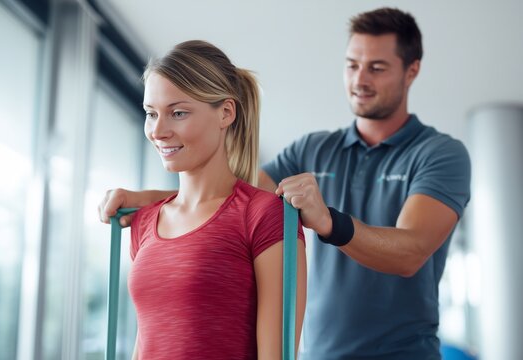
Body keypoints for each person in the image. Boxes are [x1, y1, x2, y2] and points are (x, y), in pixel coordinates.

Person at [99, 8, 471, 360]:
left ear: (412, 70)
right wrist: (147, 201)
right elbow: (227, 198)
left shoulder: (439, 154)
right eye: (352, 65)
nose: (360, 79)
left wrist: (328, 222)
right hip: (321, 353)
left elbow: (411, 252)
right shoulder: (312, 149)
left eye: (377, 68)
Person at [114, 40, 307, 360]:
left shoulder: (266, 216)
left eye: (177, 113)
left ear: (226, 113)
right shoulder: (145, 222)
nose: (158, 131)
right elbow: (145, 344)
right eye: (151, 114)